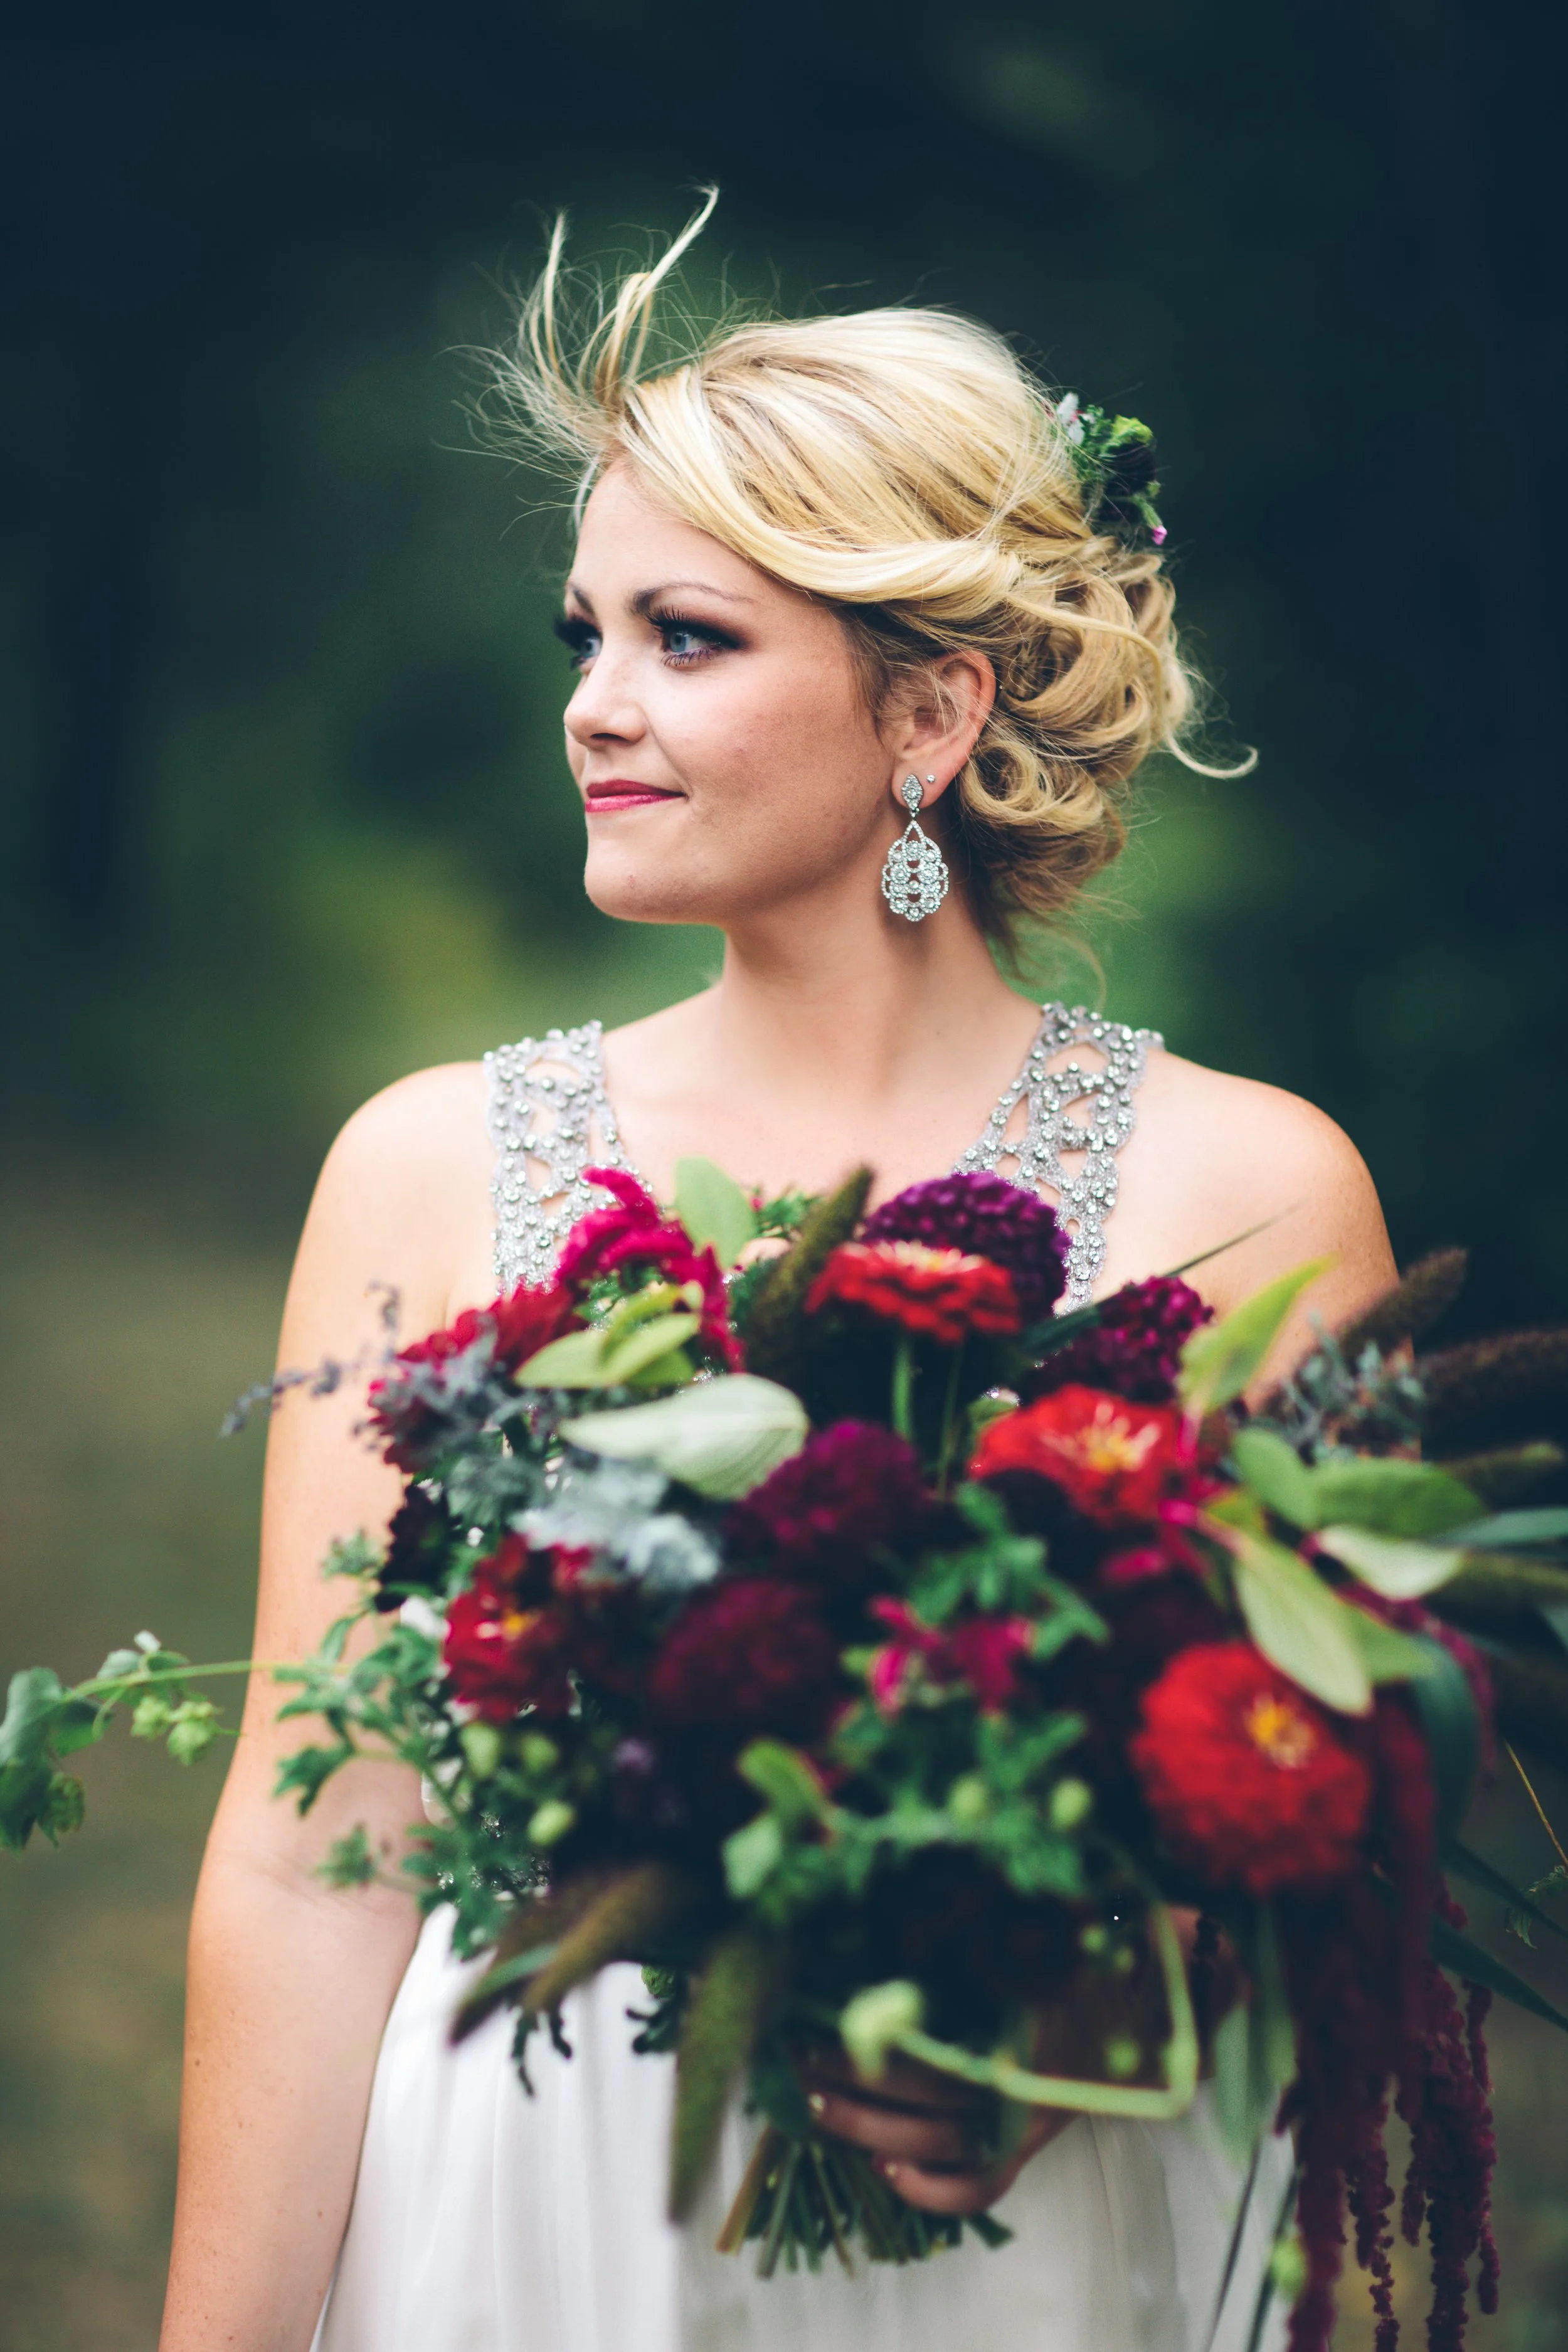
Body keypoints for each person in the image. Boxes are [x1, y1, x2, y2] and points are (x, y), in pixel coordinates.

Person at [158, 197, 1396, 2352]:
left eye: (688, 638)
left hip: (1029, 2243)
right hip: (536, 2220)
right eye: (585, 635)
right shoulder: (429, 1168)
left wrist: (1074, 2016)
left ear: (928, 709)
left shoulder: (1260, 1188)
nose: (597, 707)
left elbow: (1342, 1848)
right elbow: (303, 1854)